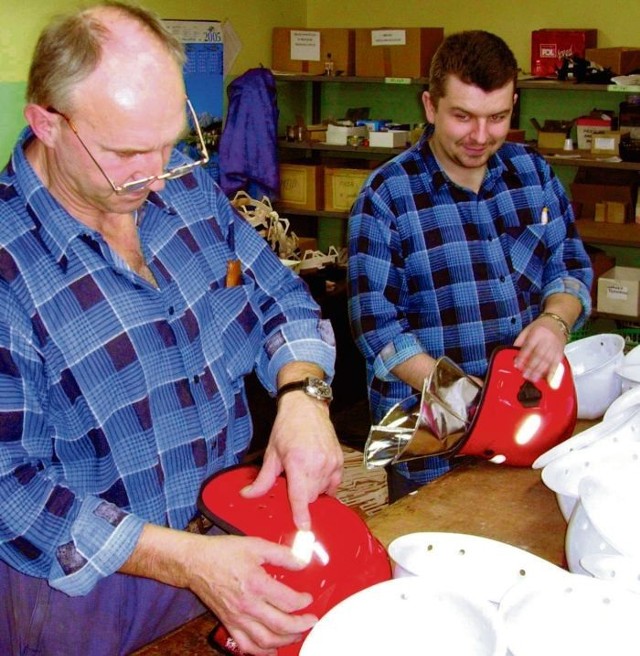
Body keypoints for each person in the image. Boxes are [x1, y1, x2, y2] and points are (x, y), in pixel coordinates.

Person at [0, 3, 344, 655]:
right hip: (82, 596)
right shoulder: (7, 265)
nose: (155, 175)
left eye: (169, 143)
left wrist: (303, 398)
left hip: (227, 543)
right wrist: (182, 560)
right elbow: (8, 490)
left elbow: (276, 300)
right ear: (45, 120)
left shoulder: (182, 191)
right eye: (127, 153)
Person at [347, 30, 593, 501]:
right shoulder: (386, 197)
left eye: (497, 117)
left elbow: (571, 264)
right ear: (429, 106)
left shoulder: (534, 175)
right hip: (431, 444)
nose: (481, 137)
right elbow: (376, 329)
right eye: (463, 117)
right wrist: (465, 399)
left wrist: (555, 321)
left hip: (528, 420)